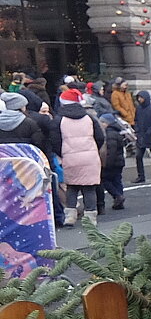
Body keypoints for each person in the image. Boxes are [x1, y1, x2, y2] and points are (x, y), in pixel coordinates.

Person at [50, 87, 104, 226]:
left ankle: (70, 217)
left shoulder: (59, 119)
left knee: (72, 187)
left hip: (70, 157)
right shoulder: (89, 118)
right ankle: (91, 217)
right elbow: (100, 137)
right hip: (90, 157)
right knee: (89, 188)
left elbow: (55, 140)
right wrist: (92, 149)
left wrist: (63, 153)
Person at [96, 113, 129, 213]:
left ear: (107, 123)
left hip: (112, 162)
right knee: (117, 180)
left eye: (102, 122)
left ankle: (117, 196)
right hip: (119, 161)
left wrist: (106, 164)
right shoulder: (117, 132)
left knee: (105, 180)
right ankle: (119, 199)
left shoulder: (109, 134)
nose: (101, 124)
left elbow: (111, 151)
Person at [133, 89, 151, 183]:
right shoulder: (139, 109)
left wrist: (150, 130)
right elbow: (136, 120)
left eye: (141, 98)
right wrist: (137, 130)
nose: (140, 100)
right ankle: (141, 176)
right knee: (138, 156)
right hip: (141, 136)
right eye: (139, 98)